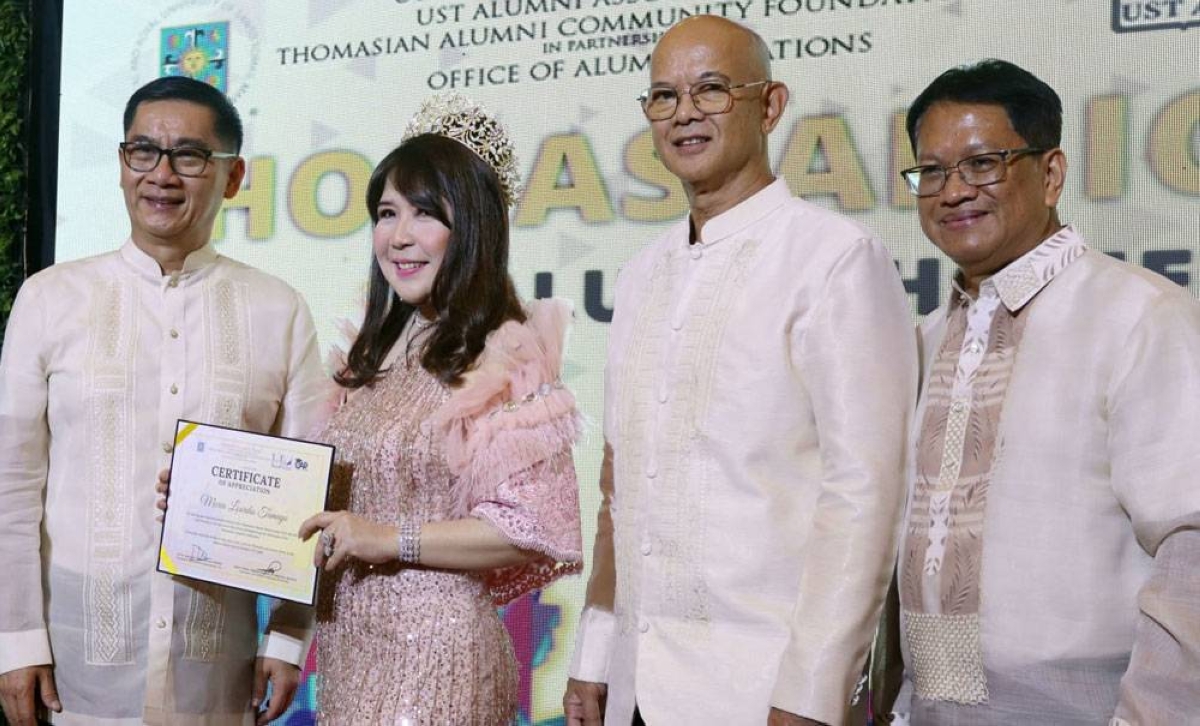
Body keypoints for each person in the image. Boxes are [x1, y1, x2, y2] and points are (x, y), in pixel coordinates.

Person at [564, 15, 918, 726]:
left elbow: (866, 494)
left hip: (763, 692)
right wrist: (593, 658)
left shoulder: (834, 259)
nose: (684, 113)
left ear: (771, 104)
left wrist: (814, 693)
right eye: (663, 96)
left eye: (712, 90)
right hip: (636, 688)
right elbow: (618, 486)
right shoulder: (639, 277)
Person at [0, 76, 326, 725]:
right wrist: (16, 639)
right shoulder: (49, 298)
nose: (162, 174)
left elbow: (312, 496)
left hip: (215, 680)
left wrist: (288, 636)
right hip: (76, 675)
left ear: (232, 178)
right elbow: (11, 483)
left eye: (190, 156)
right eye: (143, 151)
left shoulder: (277, 309)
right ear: (123, 165)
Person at [890, 59, 1200, 724]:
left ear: (1051, 172)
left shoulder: (1138, 316)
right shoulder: (918, 343)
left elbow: (1192, 542)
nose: (952, 192)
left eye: (982, 164)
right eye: (932, 171)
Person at [296, 93, 583, 724]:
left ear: (474, 225)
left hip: (437, 660)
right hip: (348, 650)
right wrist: (198, 500)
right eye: (387, 212)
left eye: (426, 214)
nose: (399, 236)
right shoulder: (370, 356)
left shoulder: (505, 354)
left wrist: (387, 539)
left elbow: (529, 529)